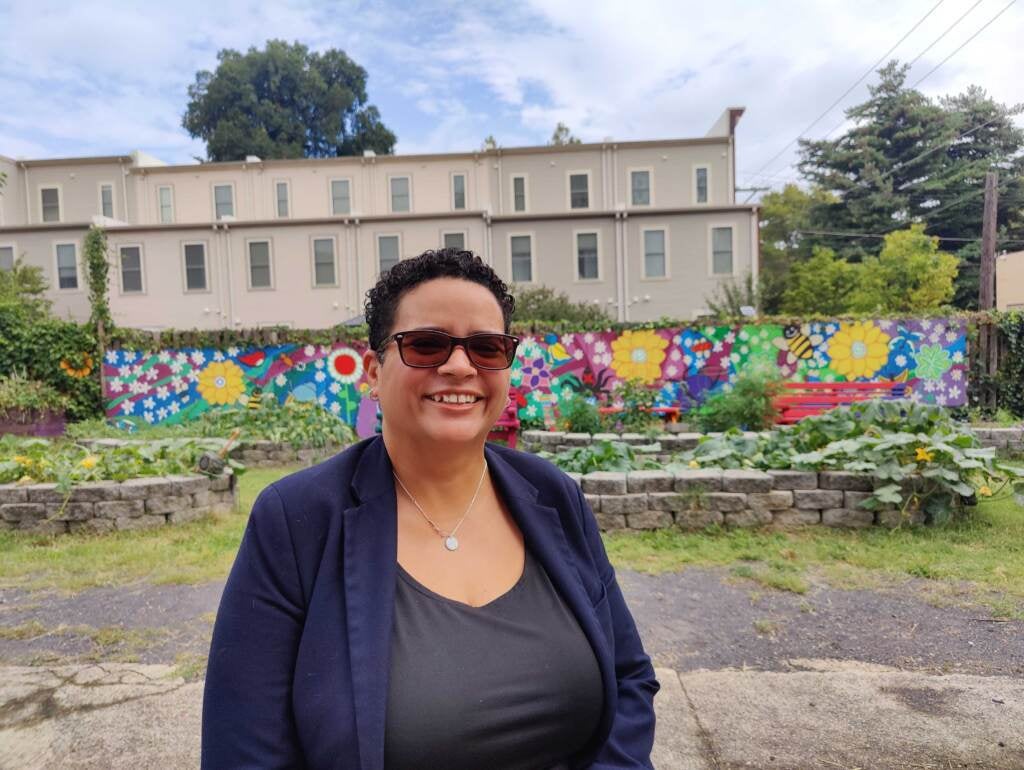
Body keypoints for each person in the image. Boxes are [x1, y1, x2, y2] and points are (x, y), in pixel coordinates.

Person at [202, 248, 659, 769]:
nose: (461, 366)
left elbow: (628, 677)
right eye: (427, 345)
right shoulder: (297, 521)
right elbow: (244, 751)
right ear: (373, 370)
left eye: (487, 348)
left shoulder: (553, 495)